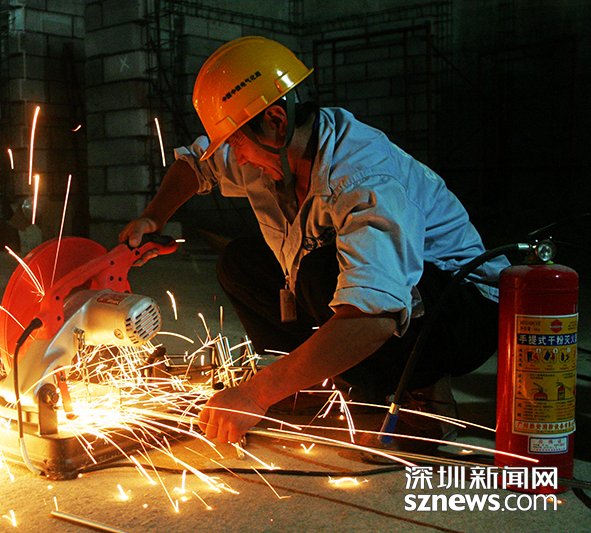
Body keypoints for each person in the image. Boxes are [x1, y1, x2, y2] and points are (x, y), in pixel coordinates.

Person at [119, 36, 508, 449]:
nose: (237, 157)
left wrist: (256, 393)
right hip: (397, 300)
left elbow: (374, 313)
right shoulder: (269, 149)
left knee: (322, 270)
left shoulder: (362, 176)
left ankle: (424, 399)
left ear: (276, 121)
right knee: (240, 263)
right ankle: (326, 381)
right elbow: (196, 165)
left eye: (236, 142)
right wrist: (153, 217)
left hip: (460, 311)